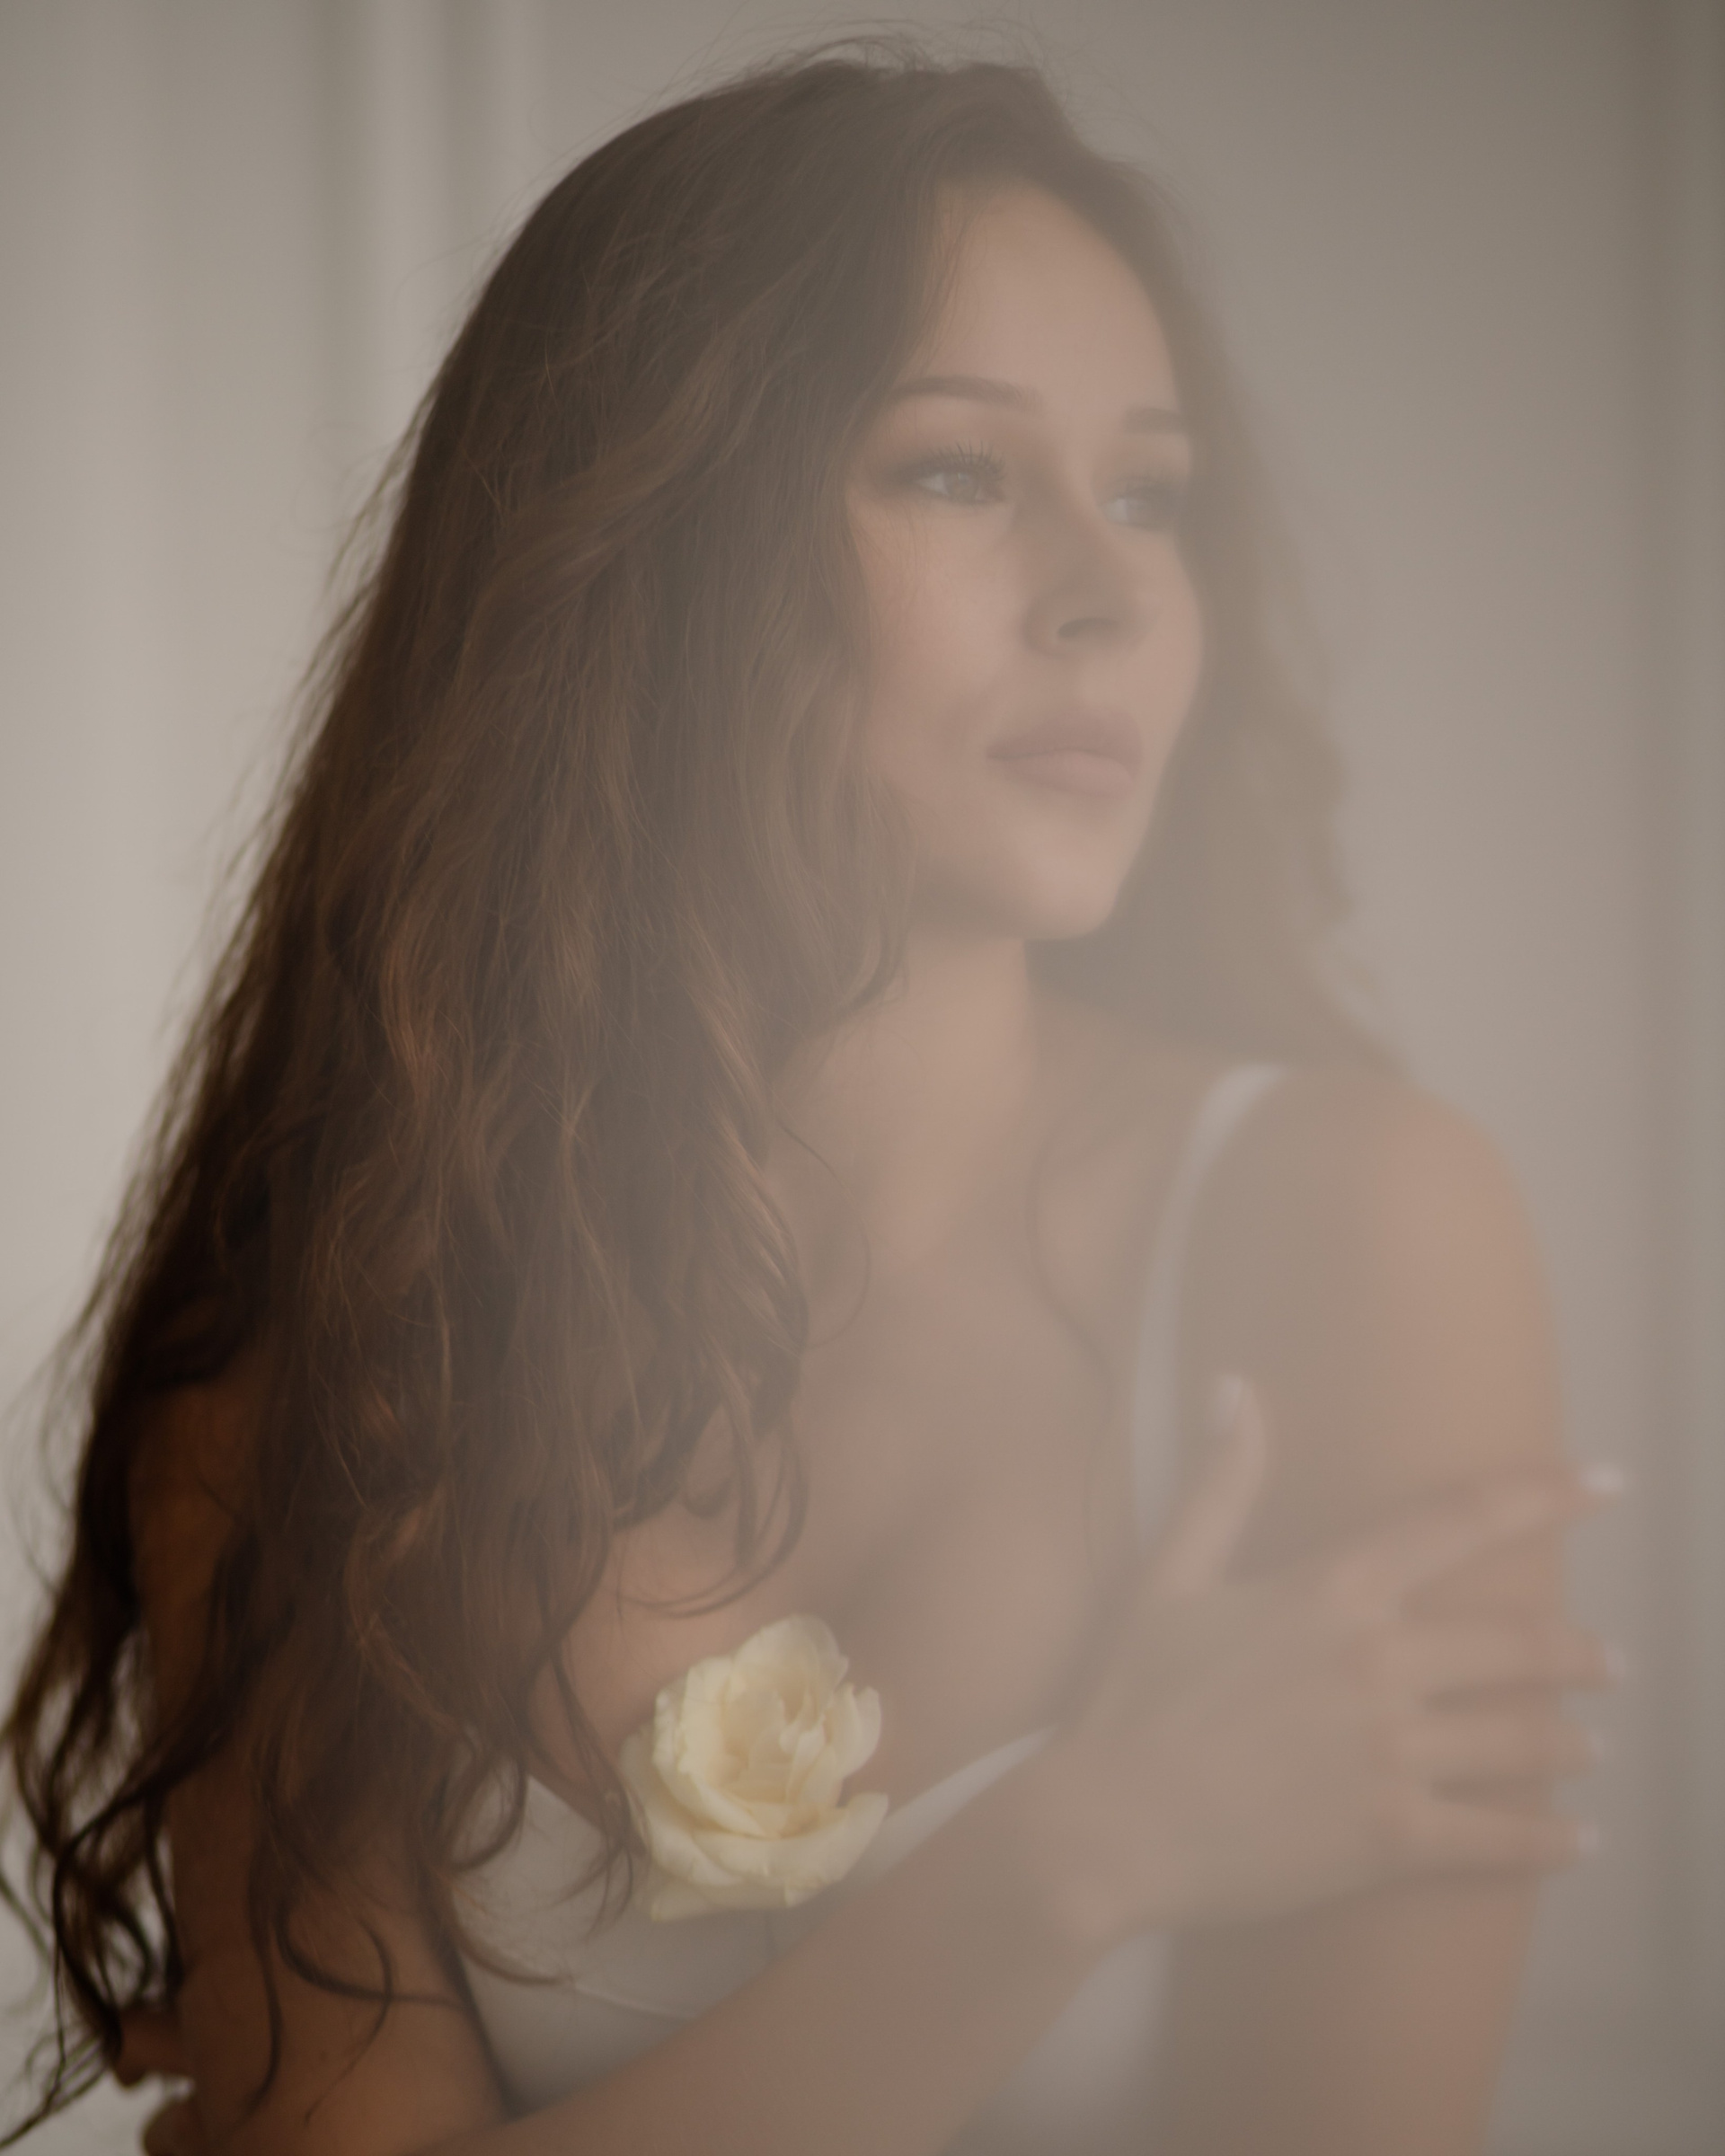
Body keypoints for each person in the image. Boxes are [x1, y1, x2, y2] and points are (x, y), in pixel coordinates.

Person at [3, 46, 1621, 2156]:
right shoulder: (304, 1372)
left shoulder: (1349, 1238)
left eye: (1153, 495)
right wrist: (1073, 1857)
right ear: (645, 552)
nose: (1109, 589)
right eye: (957, 473)